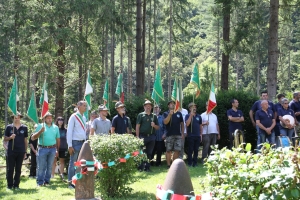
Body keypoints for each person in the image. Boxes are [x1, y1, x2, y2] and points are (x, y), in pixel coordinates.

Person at [31, 112, 60, 187]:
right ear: (44, 119)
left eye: (50, 118)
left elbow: (58, 139)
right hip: (42, 148)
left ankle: (47, 181)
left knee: (50, 166)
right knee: (41, 166)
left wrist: (57, 150)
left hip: (52, 148)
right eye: (48, 118)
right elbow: (33, 138)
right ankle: (40, 182)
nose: (50, 119)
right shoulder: (40, 126)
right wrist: (40, 131)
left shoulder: (56, 127)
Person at [4, 112, 28, 190]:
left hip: (21, 151)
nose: (16, 118)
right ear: (13, 117)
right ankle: (9, 185)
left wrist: (25, 151)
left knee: (18, 169)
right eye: (15, 116)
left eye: (18, 116)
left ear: (20, 117)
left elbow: (25, 140)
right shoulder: (9, 127)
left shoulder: (24, 127)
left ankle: (16, 185)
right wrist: (10, 137)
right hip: (11, 151)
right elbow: (5, 139)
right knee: (10, 169)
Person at [67, 100, 87, 189]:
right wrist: (69, 145)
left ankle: (78, 181)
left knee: (81, 163)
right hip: (75, 143)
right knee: (73, 163)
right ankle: (71, 183)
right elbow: (69, 131)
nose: (85, 107)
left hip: (83, 142)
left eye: (86, 106)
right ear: (78, 107)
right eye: (84, 105)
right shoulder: (74, 117)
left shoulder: (84, 117)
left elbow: (84, 131)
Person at [136, 100, 159, 171]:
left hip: (151, 137)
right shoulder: (141, 115)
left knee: (149, 153)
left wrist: (154, 125)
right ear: (144, 107)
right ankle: (140, 167)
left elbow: (158, 127)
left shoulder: (154, 116)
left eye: (149, 105)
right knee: (141, 152)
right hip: (143, 136)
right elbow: (137, 126)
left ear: (151, 107)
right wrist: (137, 137)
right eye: (146, 105)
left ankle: (147, 167)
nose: (148, 107)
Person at [163, 100, 184, 168]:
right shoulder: (165, 113)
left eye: (173, 104)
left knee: (177, 150)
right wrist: (170, 114)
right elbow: (165, 122)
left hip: (178, 135)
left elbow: (182, 124)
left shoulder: (179, 114)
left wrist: (182, 133)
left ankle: (173, 165)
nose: (172, 105)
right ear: (168, 106)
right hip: (169, 135)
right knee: (168, 150)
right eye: (170, 104)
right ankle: (168, 165)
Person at [185, 103, 202, 167]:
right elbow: (187, 124)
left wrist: (201, 134)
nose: (194, 108)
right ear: (189, 109)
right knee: (190, 150)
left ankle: (195, 163)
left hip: (197, 135)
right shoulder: (187, 116)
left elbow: (200, 126)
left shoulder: (199, 116)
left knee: (196, 150)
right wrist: (191, 116)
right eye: (192, 107)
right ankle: (190, 163)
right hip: (190, 136)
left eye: (195, 107)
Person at [51, 117, 68, 181]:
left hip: (63, 147)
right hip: (55, 147)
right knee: (54, 161)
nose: (60, 121)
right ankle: (52, 175)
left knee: (62, 161)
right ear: (57, 121)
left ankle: (61, 174)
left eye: (62, 120)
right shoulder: (54, 129)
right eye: (59, 120)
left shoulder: (65, 130)